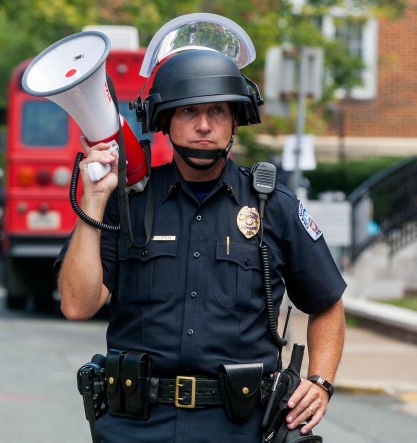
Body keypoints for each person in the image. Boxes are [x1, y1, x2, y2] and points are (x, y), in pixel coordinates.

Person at [56, 47, 346, 441]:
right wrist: (93, 201)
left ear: (235, 122)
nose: (204, 125)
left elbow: (327, 302)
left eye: (218, 112)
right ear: (166, 121)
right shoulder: (126, 203)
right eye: (189, 112)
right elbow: (77, 304)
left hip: (239, 427)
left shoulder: (274, 207)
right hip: (135, 427)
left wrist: (320, 381)